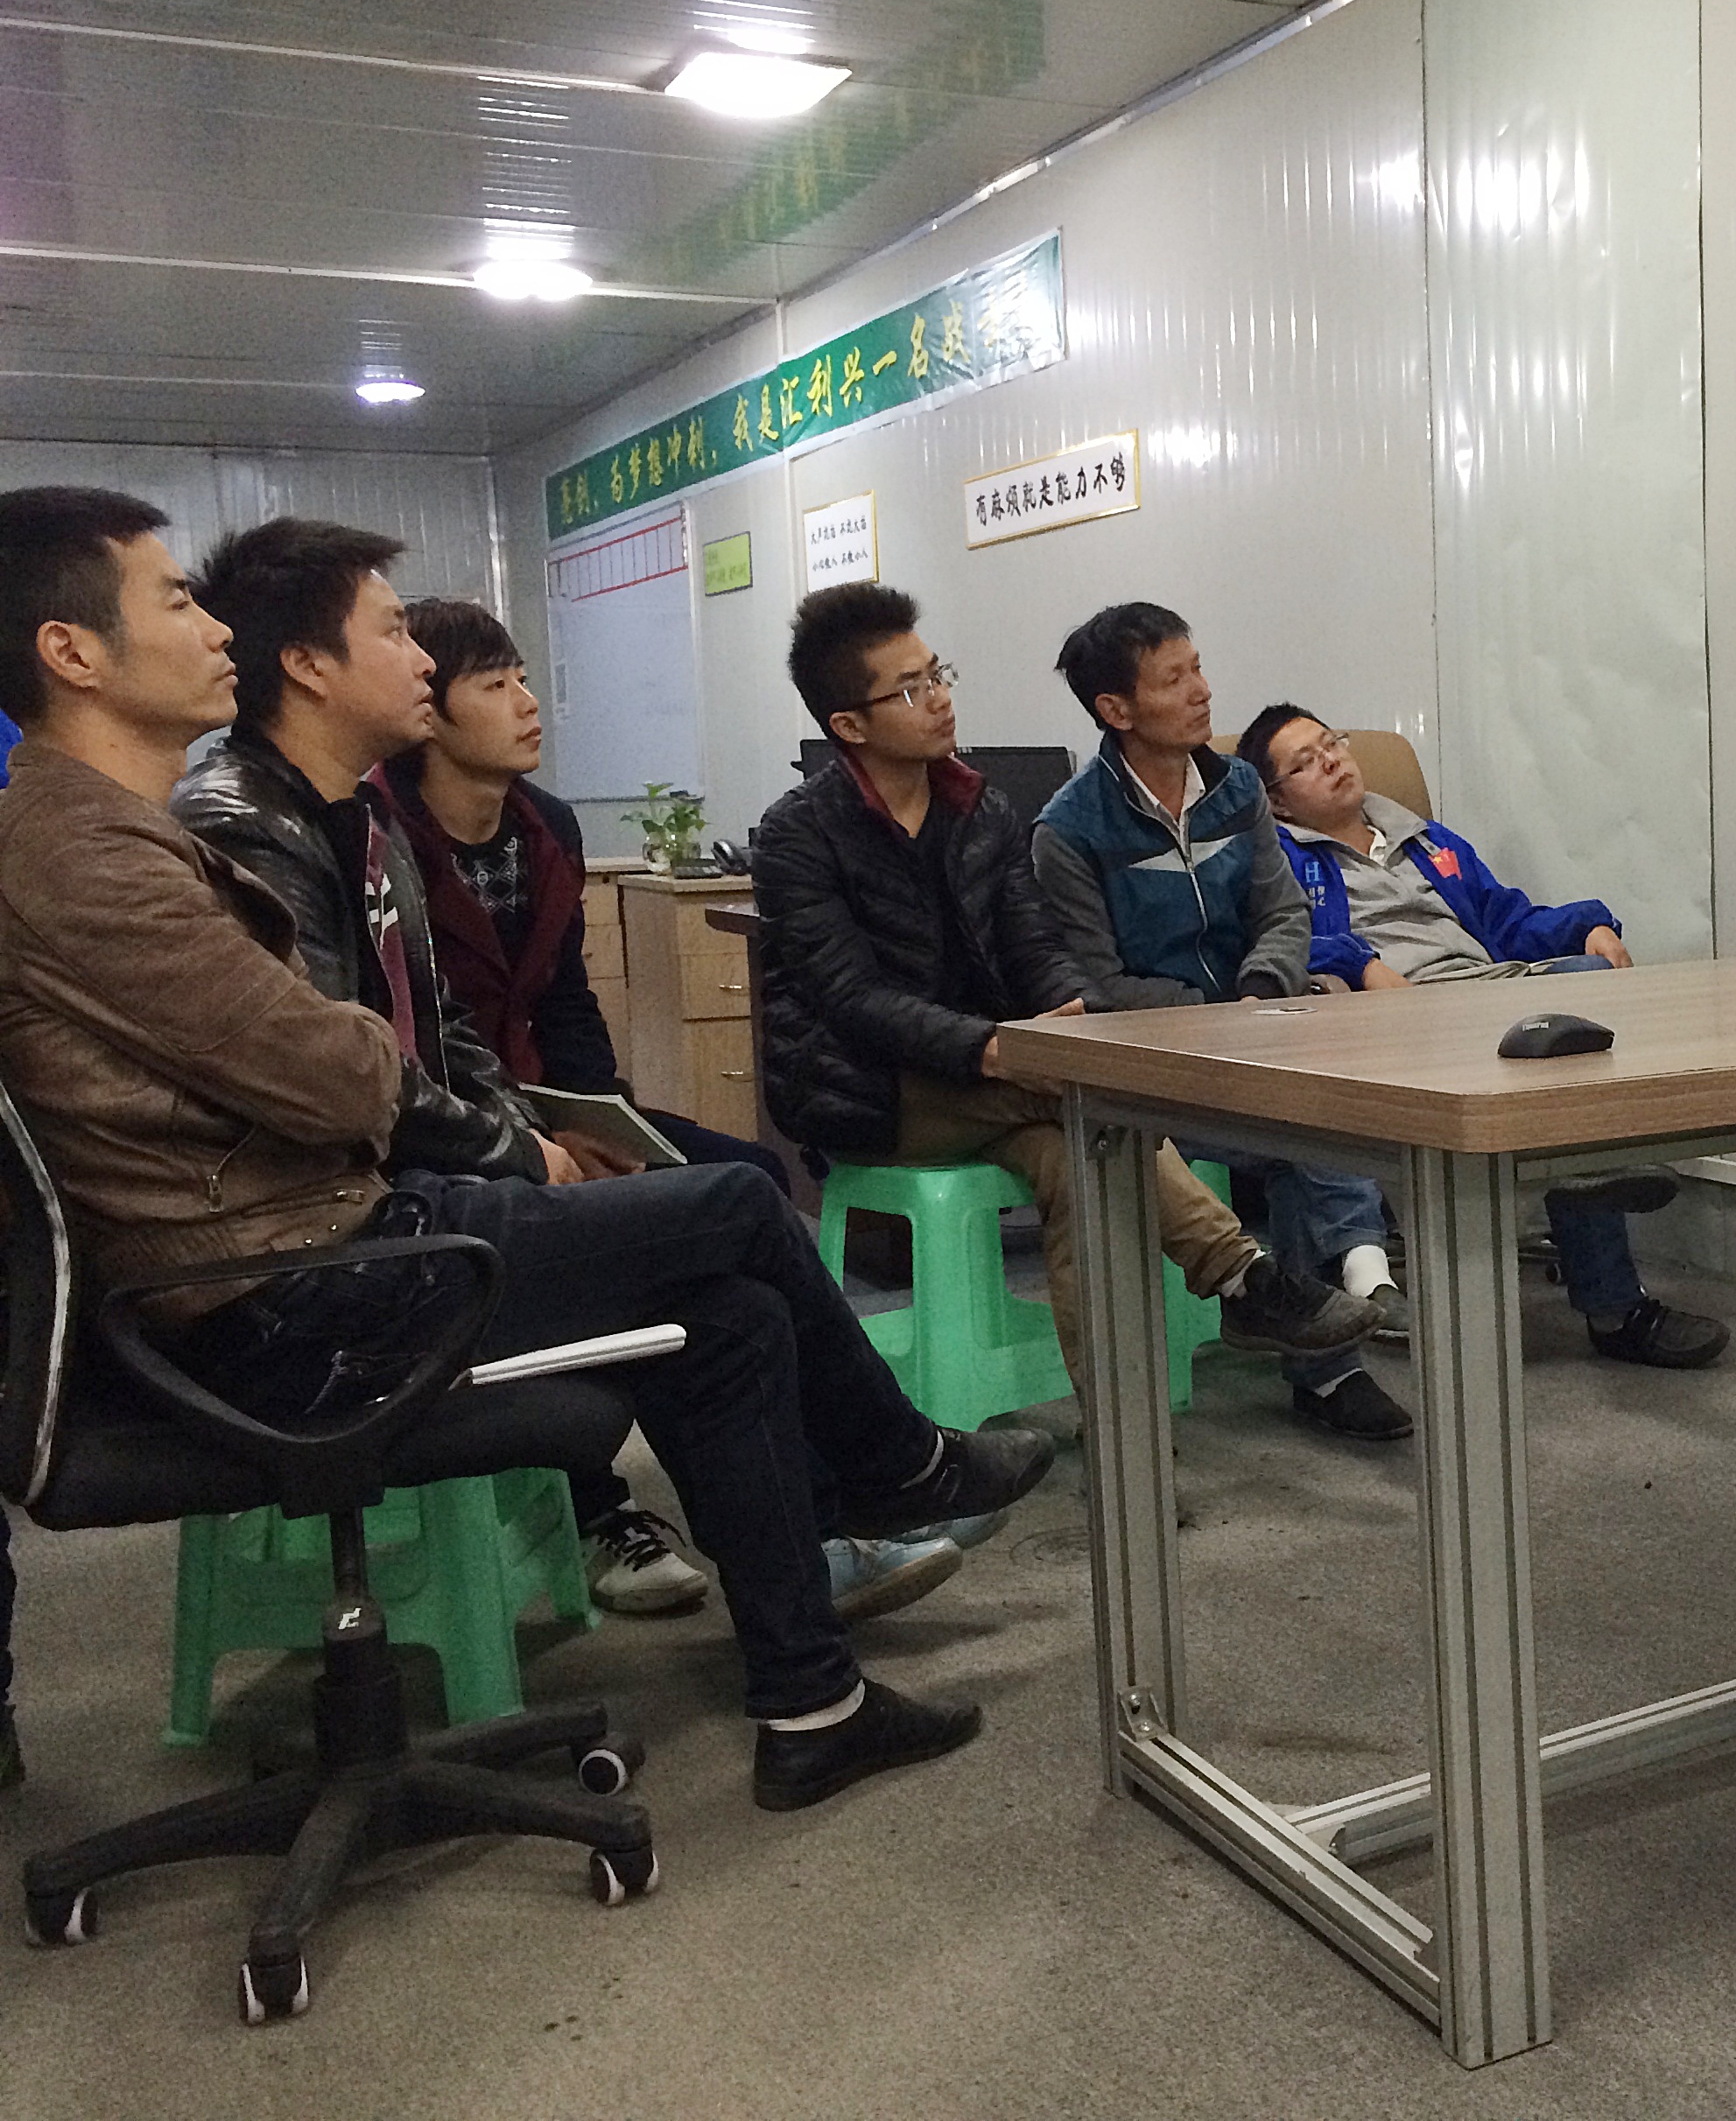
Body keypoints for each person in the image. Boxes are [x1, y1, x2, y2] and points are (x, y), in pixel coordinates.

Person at [0, 491, 1058, 1809]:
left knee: (726, 1312)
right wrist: (487, 1132)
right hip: (282, 1293)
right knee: (734, 1205)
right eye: (172, 600)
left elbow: (409, 1042)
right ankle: (899, 1469)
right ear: (72, 652)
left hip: (325, 1241)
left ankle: (813, 1704)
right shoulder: (88, 855)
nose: (211, 627)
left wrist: (489, 1115)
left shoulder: (178, 827)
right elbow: (338, 1072)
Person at [172, 526, 977, 1631]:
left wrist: (585, 1125)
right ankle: (787, 1491)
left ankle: (818, 1614)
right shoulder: (262, 824)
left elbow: (477, 1024)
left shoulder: (398, 822)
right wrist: (525, 1150)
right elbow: (342, 1075)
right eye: (402, 636)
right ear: (311, 666)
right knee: (719, 1228)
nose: (511, 694)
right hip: (358, 1217)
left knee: (729, 1217)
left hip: (464, 1137)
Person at [749, 581, 1380, 1407]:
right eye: (910, 689)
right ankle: (1242, 1277)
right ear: (849, 726)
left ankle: (1123, 1431)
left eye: (938, 674)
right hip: (866, 1087)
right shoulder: (798, 833)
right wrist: (994, 1048)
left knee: (1081, 1153)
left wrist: (1069, 1021)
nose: (939, 698)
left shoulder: (980, 810)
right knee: (1085, 1098)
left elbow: (1037, 950)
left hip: (994, 1076)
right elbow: (851, 998)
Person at [374, 596, 817, 1619]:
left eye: (526, 677)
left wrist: (603, 1116)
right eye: (497, 685)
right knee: (656, 1242)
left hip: (546, 1103)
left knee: (746, 1175)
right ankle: (600, 1509)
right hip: (440, 1137)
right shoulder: (377, 836)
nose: (530, 703)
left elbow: (565, 998)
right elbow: (402, 1045)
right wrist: (529, 1141)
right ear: (428, 711)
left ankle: (803, 1501)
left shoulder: (547, 827)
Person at [1237, 703, 1728, 1368]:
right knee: (1559, 1088)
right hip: (1397, 1017)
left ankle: (1595, 1192)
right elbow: (1283, 941)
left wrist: (1585, 926)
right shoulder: (1279, 859)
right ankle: (1608, 1269)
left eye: (1331, 744)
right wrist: (1362, 965)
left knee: (1586, 978)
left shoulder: (1429, 841)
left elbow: (1505, 919)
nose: (1331, 761)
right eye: (1305, 762)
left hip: (1487, 988)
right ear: (1277, 801)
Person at [1032, 603, 1411, 1439]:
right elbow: (1096, 981)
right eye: (1175, 679)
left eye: (1198, 667)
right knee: (1298, 1124)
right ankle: (1352, 1313)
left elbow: (1283, 913)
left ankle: (1343, 1331)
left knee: (1320, 1102)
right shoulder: (1069, 829)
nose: (1203, 691)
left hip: (1256, 1024)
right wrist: (1211, 1019)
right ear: (1116, 709)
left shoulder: (1237, 789)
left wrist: (1259, 991)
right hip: (1156, 1057)